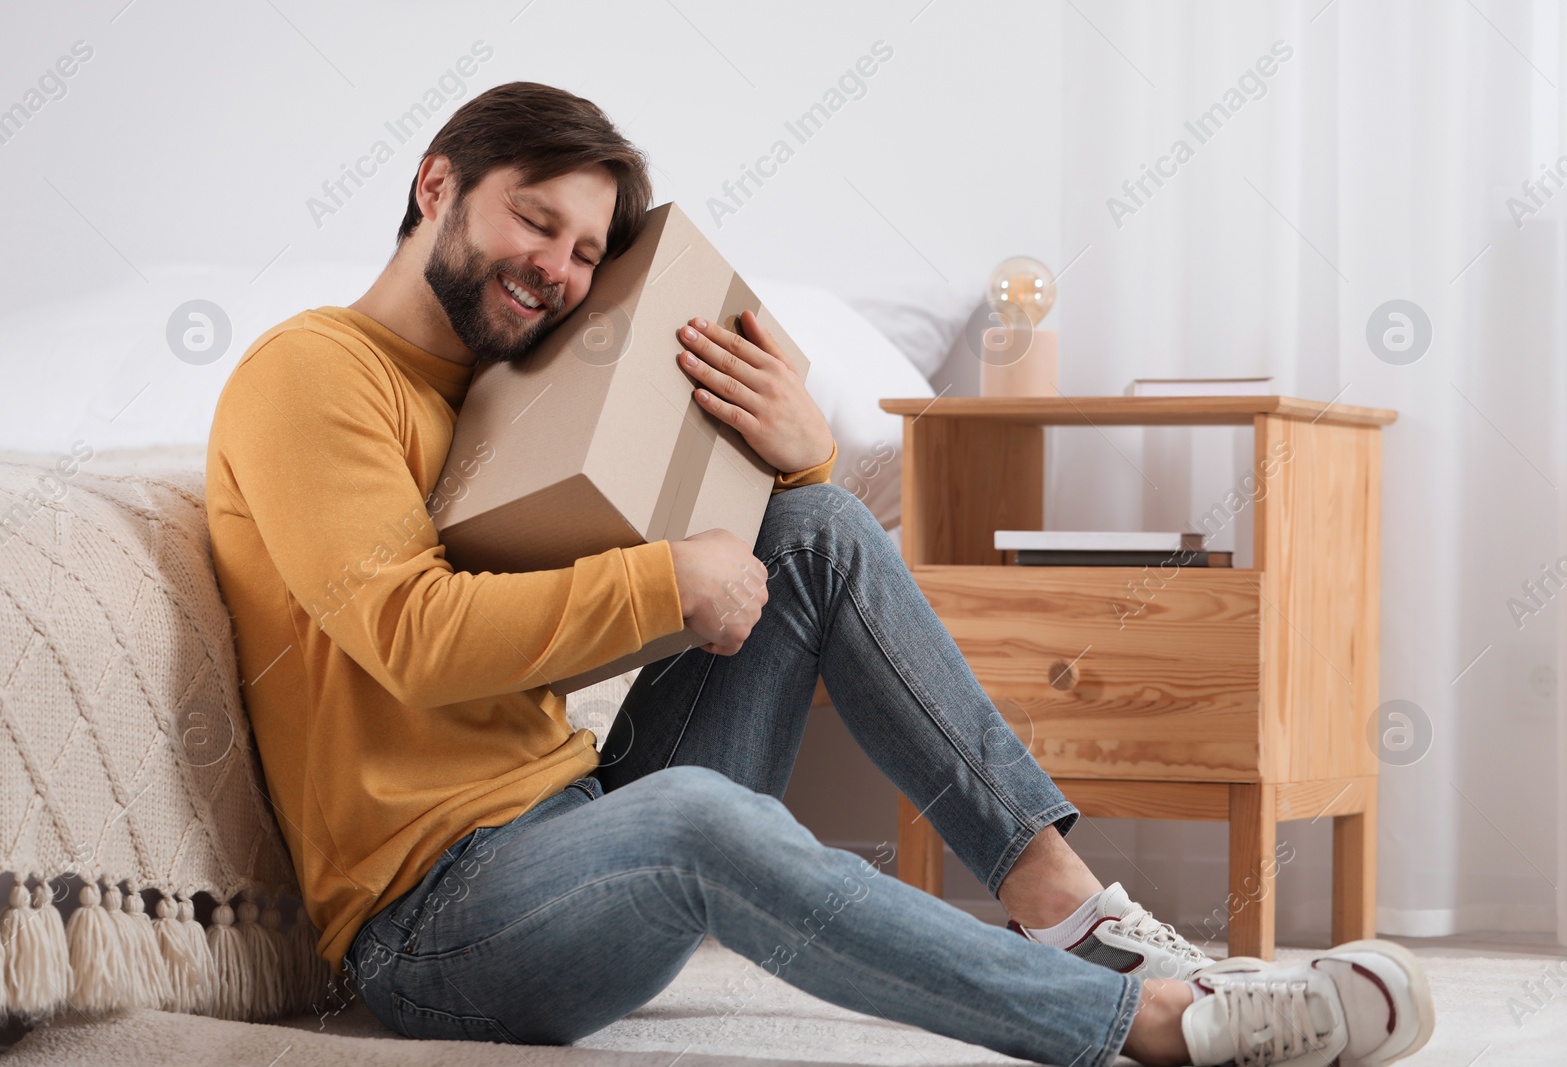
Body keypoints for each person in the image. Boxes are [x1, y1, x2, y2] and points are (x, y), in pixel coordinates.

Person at [204, 81, 1434, 1067]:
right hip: (437, 927)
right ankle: (1145, 1028)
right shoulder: (312, 372)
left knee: (821, 527)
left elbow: (731, 557)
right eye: (537, 220)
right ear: (437, 186)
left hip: (579, 826)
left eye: (585, 250)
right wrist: (663, 583)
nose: (561, 272)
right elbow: (409, 635)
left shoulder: (502, 395)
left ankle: (1069, 906)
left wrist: (802, 460)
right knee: (697, 818)